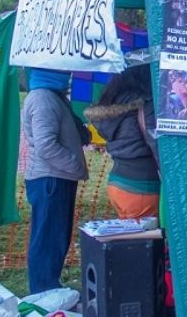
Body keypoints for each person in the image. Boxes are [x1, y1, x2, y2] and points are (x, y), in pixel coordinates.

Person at [22, 68, 90, 293]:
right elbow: (46, 146)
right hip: (50, 180)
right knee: (48, 240)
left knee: (56, 237)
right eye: (62, 69)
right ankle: (43, 292)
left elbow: (69, 134)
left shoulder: (53, 95)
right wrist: (74, 164)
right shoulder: (43, 98)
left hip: (56, 177)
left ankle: (49, 286)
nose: (67, 73)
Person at [84, 64, 160, 219]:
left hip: (117, 182)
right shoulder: (145, 105)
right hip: (143, 186)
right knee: (144, 234)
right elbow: (158, 146)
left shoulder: (111, 104)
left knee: (130, 232)